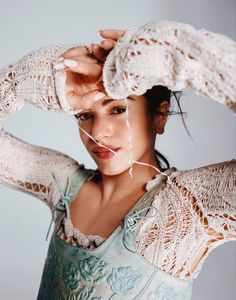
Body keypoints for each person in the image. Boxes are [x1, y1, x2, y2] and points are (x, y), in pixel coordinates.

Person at [0, 20, 235, 299]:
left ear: (159, 115)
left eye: (118, 109)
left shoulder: (191, 207)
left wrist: (167, 53)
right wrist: (33, 81)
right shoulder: (62, 184)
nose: (98, 133)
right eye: (85, 115)